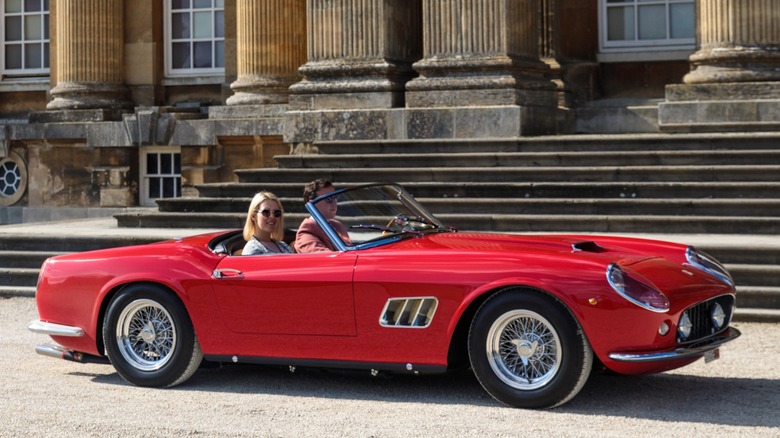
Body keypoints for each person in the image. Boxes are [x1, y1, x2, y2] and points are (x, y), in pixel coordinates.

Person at [294, 179, 351, 252]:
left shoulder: (337, 225)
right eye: (328, 198)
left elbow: (351, 250)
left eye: (335, 197)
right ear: (312, 203)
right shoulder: (306, 231)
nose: (334, 203)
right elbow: (325, 258)